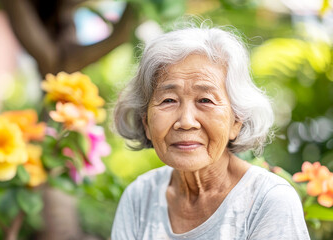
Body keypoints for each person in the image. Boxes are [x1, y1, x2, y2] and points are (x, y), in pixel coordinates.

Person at [111, 24, 310, 239]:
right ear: (146, 123)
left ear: (236, 121)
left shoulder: (267, 200)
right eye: (168, 100)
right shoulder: (140, 197)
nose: (186, 122)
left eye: (205, 100)